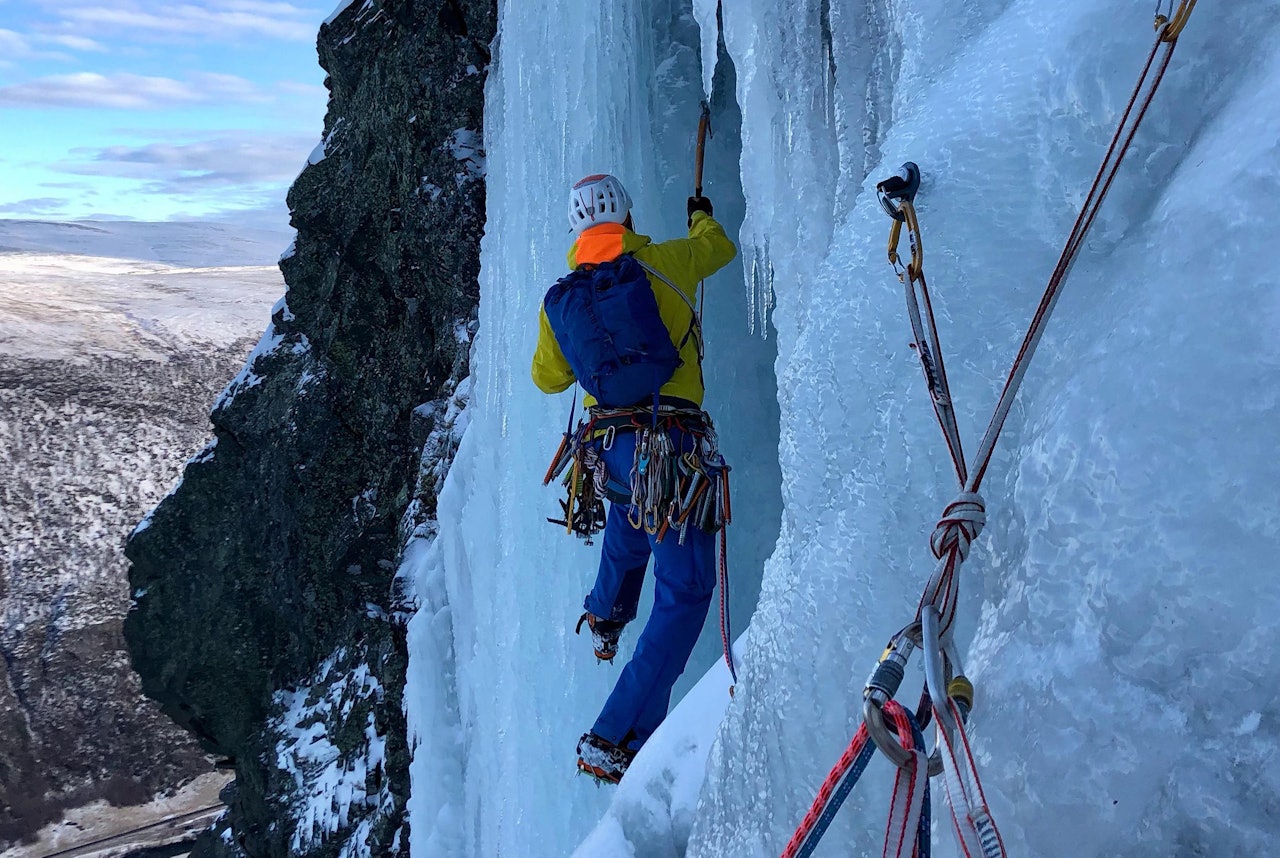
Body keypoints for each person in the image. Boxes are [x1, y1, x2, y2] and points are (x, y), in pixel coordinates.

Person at [531, 173, 737, 783]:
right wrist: (700, 215)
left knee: (627, 521)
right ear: (626, 215)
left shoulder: (561, 300)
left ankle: (605, 615)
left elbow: (548, 379)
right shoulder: (669, 262)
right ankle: (612, 736)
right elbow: (718, 248)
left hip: (611, 452)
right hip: (672, 449)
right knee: (686, 592)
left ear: (578, 230)